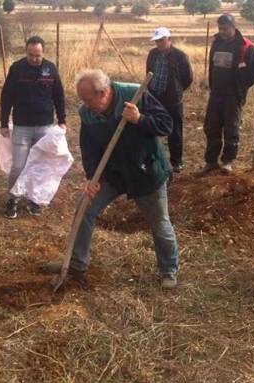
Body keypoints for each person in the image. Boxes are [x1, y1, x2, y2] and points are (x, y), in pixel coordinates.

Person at [45, 69, 180, 289]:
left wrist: (140, 119)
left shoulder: (135, 94)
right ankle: (77, 264)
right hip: (113, 174)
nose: (85, 104)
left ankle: (169, 270)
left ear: (104, 92)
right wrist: (92, 178)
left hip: (145, 170)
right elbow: (88, 148)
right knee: (84, 208)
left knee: (159, 222)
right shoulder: (86, 113)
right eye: (82, 99)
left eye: (88, 99)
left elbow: (166, 125)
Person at [0, 35, 66, 218]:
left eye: (37, 55)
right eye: (31, 55)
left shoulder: (50, 68)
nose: (34, 59)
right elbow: (6, 97)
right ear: (26, 52)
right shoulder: (17, 69)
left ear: (43, 52)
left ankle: (34, 199)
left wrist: (62, 120)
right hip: (22, 126)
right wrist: (3, 123)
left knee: (40, 165)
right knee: (19, 166)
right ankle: (13, 199)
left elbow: (58, 96)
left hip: (45, 126)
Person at [200, 13, 254, 175]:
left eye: (225, 28)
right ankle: (211, 161)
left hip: (233, 96)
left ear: (233, 27)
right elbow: (212, 67)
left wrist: (240, 88)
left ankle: (228, 161)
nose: (222, 31)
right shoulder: (216, 43)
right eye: (220, 28)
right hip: (216, 94)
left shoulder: (246, 46)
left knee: (231, 128)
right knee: (211, 127)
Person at [146, 27, 193, 173]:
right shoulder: (152, 54)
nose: (159, 44)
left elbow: (188, 78)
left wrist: (177, 90)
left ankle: (176, 162)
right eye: (157, 41)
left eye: (161, 40)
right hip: (154, 97)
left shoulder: (180, 56)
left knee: (175, 130)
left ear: (169, 40)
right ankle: (154, 159)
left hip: (172, 99)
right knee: (152, 127)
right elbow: (148, 73)